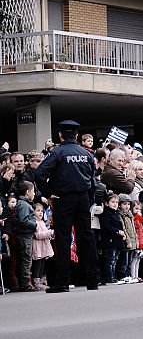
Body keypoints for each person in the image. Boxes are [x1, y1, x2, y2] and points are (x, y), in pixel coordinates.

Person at [32, 120, 100, 293]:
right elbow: (93, 180)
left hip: (63, 198)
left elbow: (39, 174)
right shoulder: (86, 154)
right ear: (77, 135)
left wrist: (48, 193)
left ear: (60, 135)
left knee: (63, 238)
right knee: (86, 237)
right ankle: (93, 280)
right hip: (83, 198)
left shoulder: (57, 152)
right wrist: (89, 199)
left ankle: (62, 282)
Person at [10, 181, 38, 291]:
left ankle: (24, 283)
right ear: (27, 192)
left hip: (25, 235)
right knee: (26, 260)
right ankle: (25, 284)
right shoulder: (24, 205)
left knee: (24, 259)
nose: (34, 194)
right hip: (24, 236)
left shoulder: (23, 204)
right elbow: (23, 220)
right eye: (33, 191)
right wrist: (34, 224)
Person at [31, 202, 54, 290]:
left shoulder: (42, 222)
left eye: (42, 211)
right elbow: (37, 235)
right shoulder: (34, 222)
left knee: (42, 263)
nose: (40, 213)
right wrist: (49, 233)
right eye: (38, 211)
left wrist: (51, 235)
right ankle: (36, 281)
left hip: (43, 246)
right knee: (37, 263)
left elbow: (45, 233)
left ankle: (41, 279)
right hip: (38, 246)